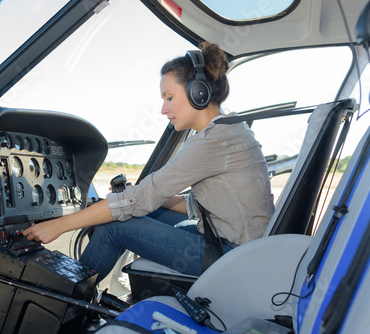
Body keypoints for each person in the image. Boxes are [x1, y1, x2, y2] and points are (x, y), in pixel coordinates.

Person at [23, 41, 275, 282]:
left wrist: (58, 225)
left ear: (198, 93)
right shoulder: (227, 130)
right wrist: (139, 195)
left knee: (115, 228)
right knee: (140, 209)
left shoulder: (213, 141)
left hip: (233, 257)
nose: (163, 110)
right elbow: (202, 207)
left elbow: (140, 199)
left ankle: (68, 312)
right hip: (238, 247)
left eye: (169, 97)